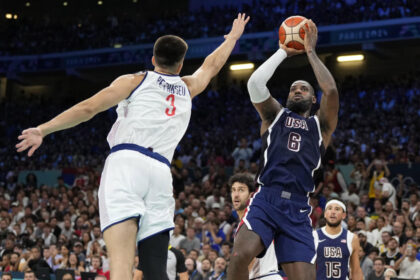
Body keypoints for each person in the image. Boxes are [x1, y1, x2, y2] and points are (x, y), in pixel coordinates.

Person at [16, 13, 250, 280]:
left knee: (121, 268)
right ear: (181, 63)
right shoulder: (188, 86)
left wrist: (43, 129)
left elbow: (88, 107)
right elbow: (211, 65)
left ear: (153, 59)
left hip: (126, 164)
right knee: (155, 270)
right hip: (161, 172)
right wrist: (232, 37)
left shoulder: (135, 80)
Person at [228, 19, 339, 280]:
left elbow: (331, 90)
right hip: (267, 198)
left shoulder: (321, 126)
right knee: (240, 254)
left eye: (303, 88)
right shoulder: (274, 115)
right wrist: (283, 52)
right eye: (292, 88)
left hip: (299, 207)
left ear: (313, 99)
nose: (296, 90)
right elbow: (255, 84)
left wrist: (310, 51)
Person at [229, 173, 283, 279]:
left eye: (241, 190)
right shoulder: (244, 222)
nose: (236, 195)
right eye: (233, 190)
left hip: (265, 276)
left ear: (251, 195)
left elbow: (247, 258)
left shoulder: (254, 220)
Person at [314, 199, 363, 280]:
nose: (333, 212)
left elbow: (356, 271)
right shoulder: (314, 236)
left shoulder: (352, 238)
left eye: (337, 209)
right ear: (325, 214)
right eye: (329, 208)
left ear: (343, 215)